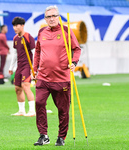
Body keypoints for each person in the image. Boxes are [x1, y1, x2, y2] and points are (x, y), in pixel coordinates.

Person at [33, 5, 81, 146]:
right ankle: (43, 135)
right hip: (43, 77)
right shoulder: (42, 32)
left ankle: (61, 137)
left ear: (59, 17)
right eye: (49, 16)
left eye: (54, 16)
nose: (52, 19)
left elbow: (76, 49)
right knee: (39, 103)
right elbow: (37, 52)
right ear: (45, 19)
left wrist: (74, 62)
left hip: (61, 79)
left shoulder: (67, 31)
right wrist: (34, 69)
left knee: (63, 109)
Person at [9, 17, 36, 117]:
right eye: (14, 26)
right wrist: (11, 67)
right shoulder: (15, 38)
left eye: (17, 26)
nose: (15, 28)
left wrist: (35, 68)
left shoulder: (29, 37)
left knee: (26, 86)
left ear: (22, 25)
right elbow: (15, 54)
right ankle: (21, 111)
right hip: (19, 67)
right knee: (17, 88)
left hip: (28, 66)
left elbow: (35, 53)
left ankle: (32, 111)